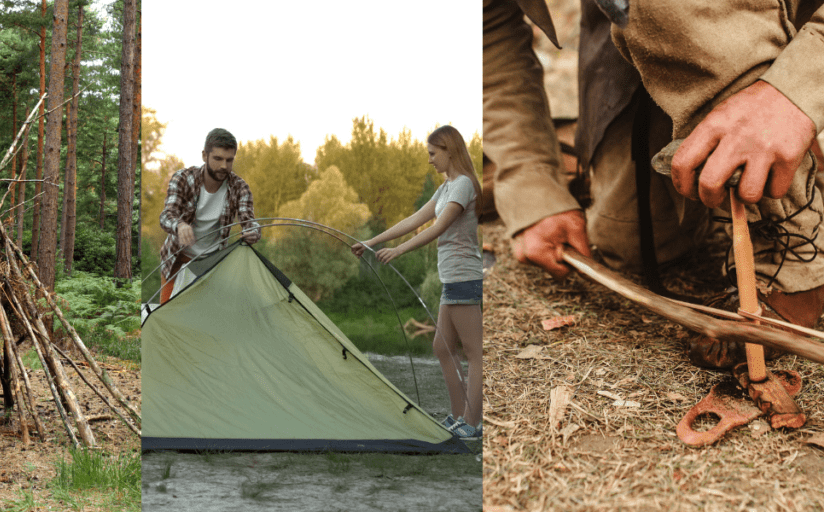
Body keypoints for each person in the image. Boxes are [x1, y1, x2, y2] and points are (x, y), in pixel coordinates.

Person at [487, 0, 824, 371]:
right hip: (641, 24)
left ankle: (793, 257)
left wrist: (794, 90)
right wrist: (531, 179)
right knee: (626, 237)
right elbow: (487, 28)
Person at [351, 125, 484, 440]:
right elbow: (414, 220)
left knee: (475, 352)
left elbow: (438, 227)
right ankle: (457, 416)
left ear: (449, 150)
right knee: (441, 347)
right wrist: (373, 241)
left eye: (432, 154)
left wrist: (398, 250)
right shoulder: (447, 187)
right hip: (451, 279)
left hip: (466, 277)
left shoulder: (464, 185)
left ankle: (473, 422)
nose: (429, 161)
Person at [158, 128, 261, 304]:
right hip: (177, 259)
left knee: (202, 318)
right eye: (218, 159)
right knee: (166, 317)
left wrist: (254, 231)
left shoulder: (240, 188)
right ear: (204, 155)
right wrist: (180, 225)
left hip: (212, 263)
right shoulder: (182, 178)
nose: (224, 166)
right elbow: (167, 216)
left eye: (229, 160)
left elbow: (249, 221)